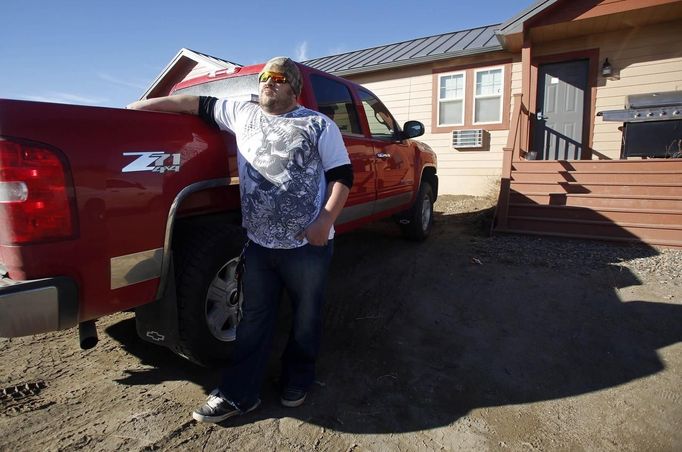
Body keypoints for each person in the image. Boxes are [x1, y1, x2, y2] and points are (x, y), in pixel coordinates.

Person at [127, 57, 353, 424]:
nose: (269, 82)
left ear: (293, 87)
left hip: (308, 247)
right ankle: (239, 393)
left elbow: (343, 176)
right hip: (260, 245)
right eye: (265, 77)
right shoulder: (241, 113)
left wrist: (324, 220)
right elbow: (193, 103)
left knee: (306, 318)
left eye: (278, 78)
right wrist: (141, 108)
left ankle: (297, 380)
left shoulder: (318, 124)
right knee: (252, 321)